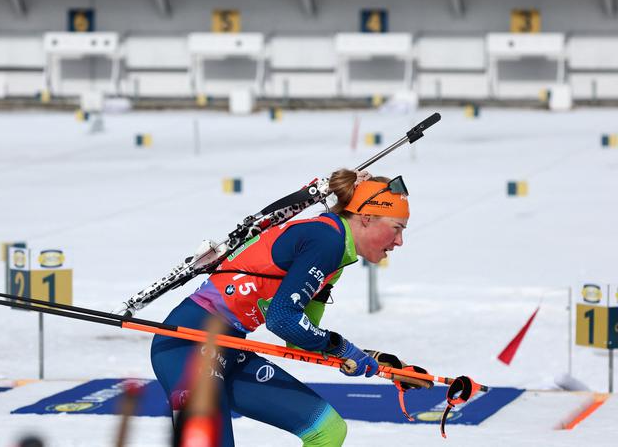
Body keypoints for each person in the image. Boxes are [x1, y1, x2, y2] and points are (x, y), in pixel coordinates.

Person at [151, 168, 426, 447]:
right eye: (397, 228)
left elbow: (298, 339)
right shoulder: (326, 240)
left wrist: (373, 360)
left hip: (227, 348)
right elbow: (282, 319)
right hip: (189, 342)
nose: (399, 241)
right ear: (366, 217)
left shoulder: (337, 255)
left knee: (327, 430)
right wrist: (340, 347)